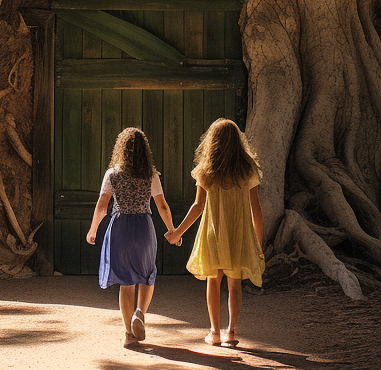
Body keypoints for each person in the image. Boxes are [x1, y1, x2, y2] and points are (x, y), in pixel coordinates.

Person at [166, 118, 264, 347]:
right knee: (234, 282)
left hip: (213, 232)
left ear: (213, 142)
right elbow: (256, 209)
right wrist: (257, 242)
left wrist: (177, 232)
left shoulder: (207, 171)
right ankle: (231, 332)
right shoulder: (248, 169)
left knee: (213, 280)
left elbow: (198, 207)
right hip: (238, 234)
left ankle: (215, 332)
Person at [86, 127, 177, 346]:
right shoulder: (151, 174)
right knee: (147, 275)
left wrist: (93, 229)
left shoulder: (112, 174)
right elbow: (162, 206)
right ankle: (140, 313)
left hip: (120, 227)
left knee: (126, 283)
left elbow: (102, 206)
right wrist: (172, 229)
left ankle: (128, 334)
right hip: (144, 226)